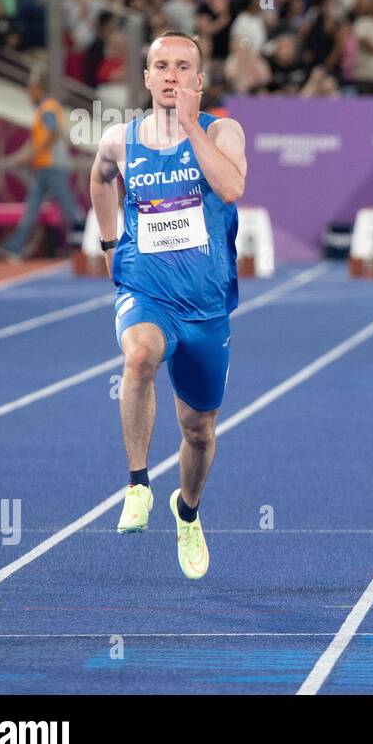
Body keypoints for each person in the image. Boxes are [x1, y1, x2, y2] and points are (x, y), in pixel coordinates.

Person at [89, 31, 247, 580]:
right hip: (147, 290)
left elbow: (230, 188)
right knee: (138, 357)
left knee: (198, 430)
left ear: (199, 81)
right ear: (148, 78)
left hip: (205, 306)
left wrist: (188, 127)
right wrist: (109, 243)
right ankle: (137, 485)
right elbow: (101, 179)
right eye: (162, 66)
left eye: (184, 67)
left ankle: (188, 512)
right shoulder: (119, 139)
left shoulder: (222, 130)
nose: (173, 75)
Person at [0, 76, 84, 262]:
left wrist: (30, 155)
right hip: (44, 167)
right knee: (32, 209)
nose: (28, 94)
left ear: (39, 90)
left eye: (31, 90)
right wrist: (20, 158)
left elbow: (52, 133)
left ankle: (85, 240)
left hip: (53, 166)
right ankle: (14, 247)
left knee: (68, 207)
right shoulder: (42, 110)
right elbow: (34, 141)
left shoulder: (49, 107)